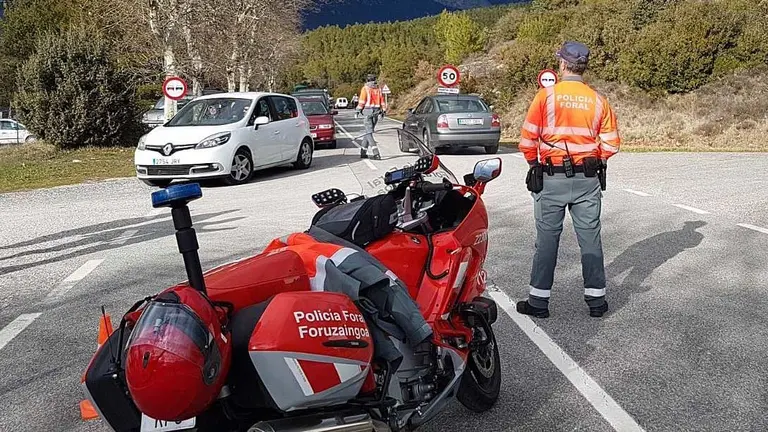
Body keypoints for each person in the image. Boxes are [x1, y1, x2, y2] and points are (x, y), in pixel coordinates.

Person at [517, 41, 621, 319]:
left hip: (551, 178)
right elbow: (612, 144)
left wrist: (533, 164)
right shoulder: (599, 100)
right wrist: (592, 158)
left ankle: (538, 303)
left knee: (548, 240)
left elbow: (527, 140)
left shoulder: (546, 97)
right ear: (583, 67)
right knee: (590, 238)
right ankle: (596, 301)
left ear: (562, 65)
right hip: (587, 180)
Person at [356, 74, 387, 160]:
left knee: (369, 133)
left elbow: (362, 101)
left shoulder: (365, 88)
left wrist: (358, 110)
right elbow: (382, 100)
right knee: (368, 131)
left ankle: (376, 153)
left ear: (367, 80)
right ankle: (363, 152)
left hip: (367, 111)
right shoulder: (378, 89)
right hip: (376, 112)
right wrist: (384, 110)